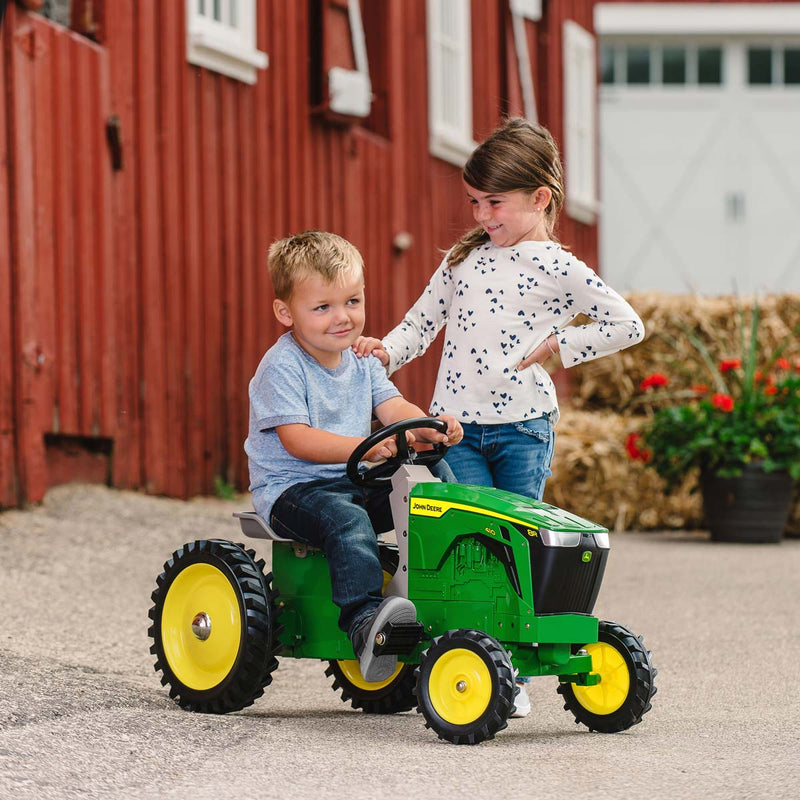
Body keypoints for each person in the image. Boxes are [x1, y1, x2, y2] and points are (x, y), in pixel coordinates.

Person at [353, 118, 644, 714]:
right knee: (473, 544)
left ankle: (513, 672)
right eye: (475, 202)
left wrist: (563, 346)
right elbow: (421, 323)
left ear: (540, 198)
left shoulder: (558, 266)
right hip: (455, 429)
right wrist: (386, 347)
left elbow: (627, 324)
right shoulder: (463, 260)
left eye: (496, 203)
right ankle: (474, 657)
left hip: (524, 431)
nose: (484, 215)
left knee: (522, 546)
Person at [245, 230, 463, 683]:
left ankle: (447, 582)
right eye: (323, 307)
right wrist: (365, 449)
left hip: (352, 478)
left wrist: (428, 426)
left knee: (433, 473)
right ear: (286, 313)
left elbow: (393, 408)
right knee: (345, 519)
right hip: (294, 490)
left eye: (353, 301)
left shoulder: (362, 360)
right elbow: (298, 440)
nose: (342, 318)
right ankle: (365, 624)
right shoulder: (282, 366)